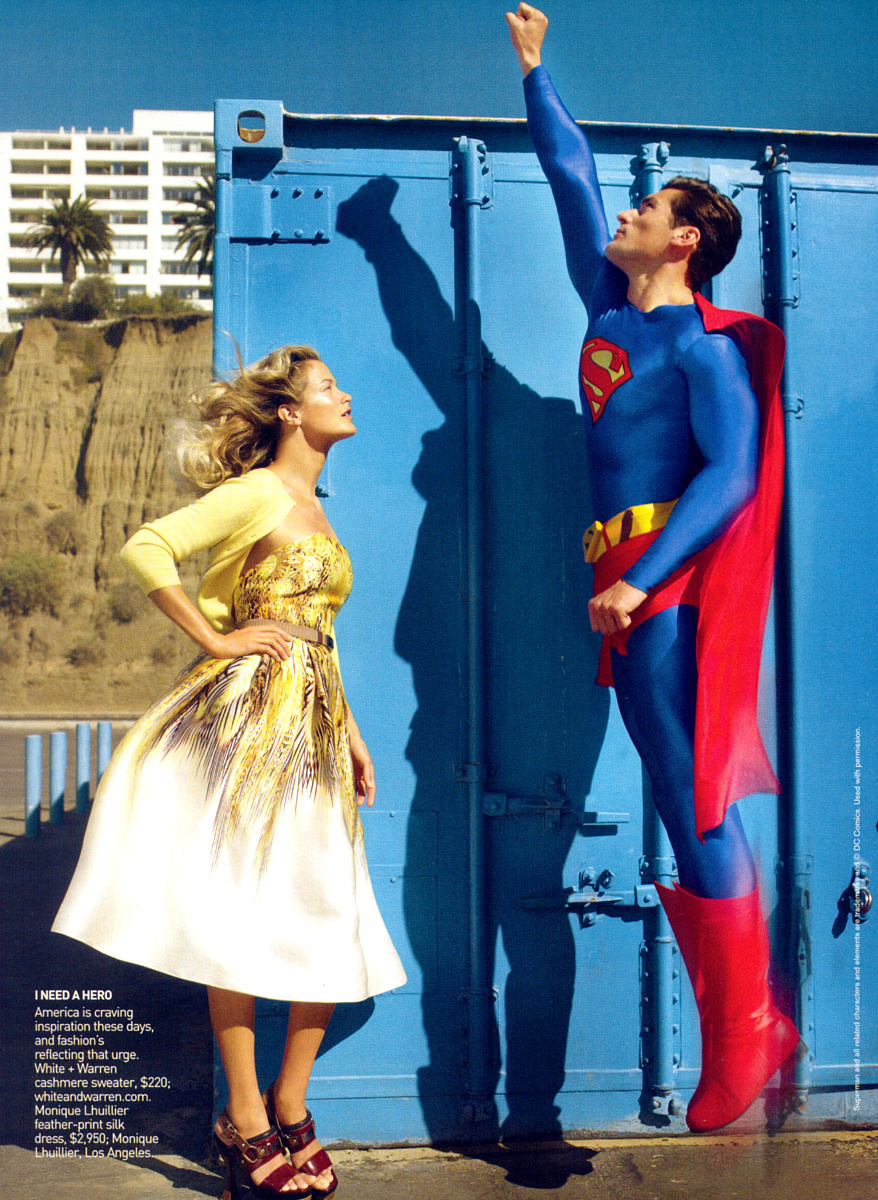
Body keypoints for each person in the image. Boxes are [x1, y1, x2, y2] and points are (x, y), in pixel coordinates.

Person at [505, 4, 801, 1132]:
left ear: (684, 241)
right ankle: (745, 1029)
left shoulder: (702, 346)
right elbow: (570, 178)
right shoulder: (607, 307)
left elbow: (729, 475)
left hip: (660, 590)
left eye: (650, 207)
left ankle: (747, 1030)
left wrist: (644, 577)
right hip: (624, 591)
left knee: (694, 800)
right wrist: (535, 73)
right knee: (680, 799)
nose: (626, 212)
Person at [53, 345, 406, 1196]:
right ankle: (245, 1116)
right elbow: (148, 548)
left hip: (315, 722)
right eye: (327, 387)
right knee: (241, 912)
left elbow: (318, 634)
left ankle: (291, 1102)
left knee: (325, 904)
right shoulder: (257, 493)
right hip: (251, 720)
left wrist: (353, 731)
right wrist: (214, 639)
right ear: (289, 412)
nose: (344, 395)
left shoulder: (315, 506)